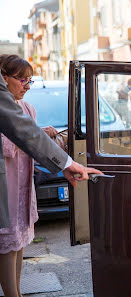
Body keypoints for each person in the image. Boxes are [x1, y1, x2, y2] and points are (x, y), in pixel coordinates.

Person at [0, 54, 102, 297]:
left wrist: (45, 137)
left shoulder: (28, 109)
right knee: (7, 242)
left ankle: (18, 291)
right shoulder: (9, 108)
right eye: (21, 80)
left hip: (24, 183)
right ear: (4, 79)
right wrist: (39, 136)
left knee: (21, 239)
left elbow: (31, 142)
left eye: (29, 81)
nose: (26, 86)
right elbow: (10, 145)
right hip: (6, 185)